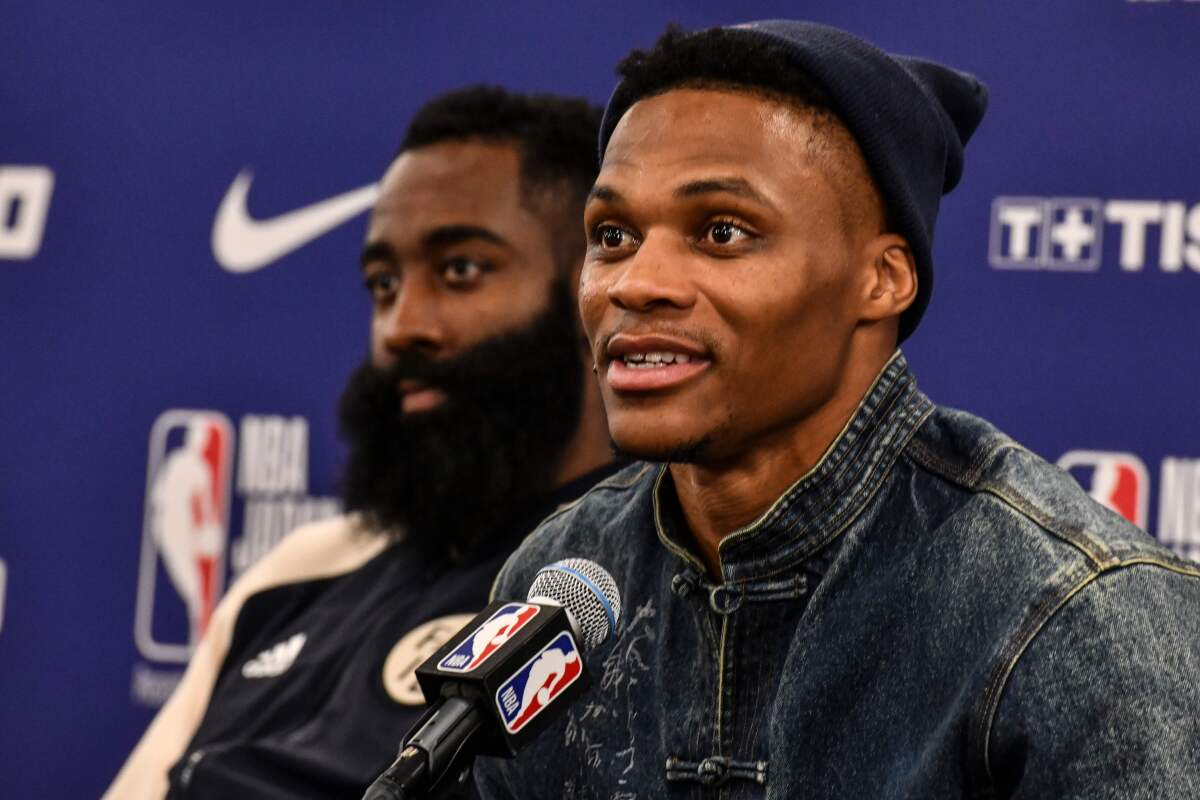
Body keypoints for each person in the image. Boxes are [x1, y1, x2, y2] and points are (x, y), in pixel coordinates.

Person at [475, 21, 1200, 799]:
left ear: (884, 278)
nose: (634, 283)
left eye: (722, 231)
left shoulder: (1069, 610)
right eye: (613, 234)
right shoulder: (562, 574)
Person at [107, 86, 616, 798]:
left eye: (460, 270)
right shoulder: (296, 573)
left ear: (594, 285)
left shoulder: (628, 581)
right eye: (383, 284)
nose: (401, 326)